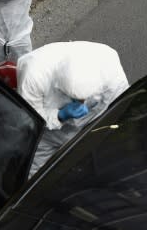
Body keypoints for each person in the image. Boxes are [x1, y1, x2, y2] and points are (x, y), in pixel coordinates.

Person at [17, 41, 129, 176]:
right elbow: (30, 119)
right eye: (73, 98)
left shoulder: (109, 66)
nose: (81, 103)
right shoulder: (34, 75)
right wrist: (59, 116)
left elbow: (120, 105)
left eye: (84, 100)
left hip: (87, 129)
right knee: (33, 171)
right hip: (47, 135)